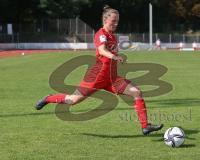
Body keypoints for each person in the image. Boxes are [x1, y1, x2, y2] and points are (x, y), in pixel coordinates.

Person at [35, 5, 163, 135]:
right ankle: (48, 98)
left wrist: (116, 59)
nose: (116, 23)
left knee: (136, 92)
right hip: (96, 77)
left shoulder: (113, 36)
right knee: (72, 100)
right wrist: (114, 56)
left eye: (117, 21)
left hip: (112, 78)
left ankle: (145, 126)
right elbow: (102, 50)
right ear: (105, 20)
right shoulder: (100, 34)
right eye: (113, 21)